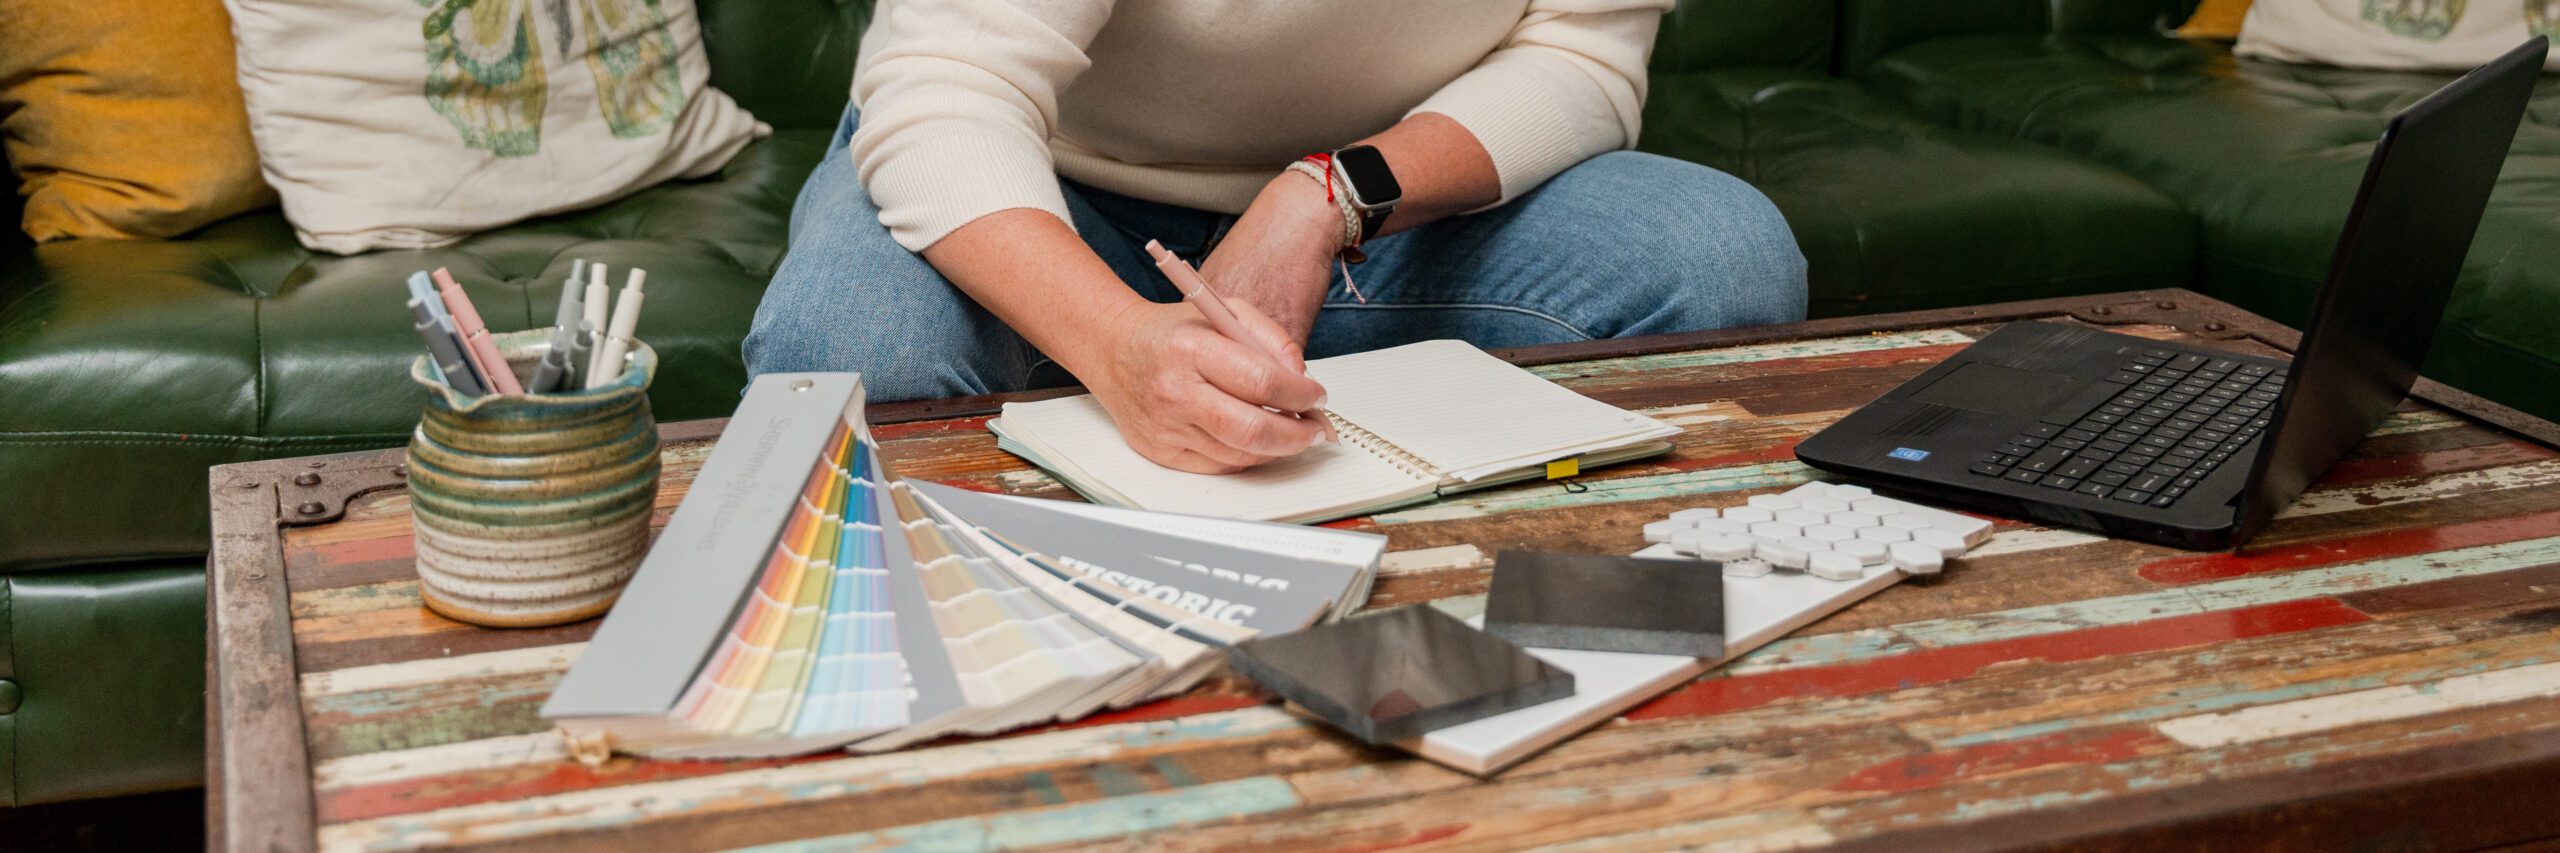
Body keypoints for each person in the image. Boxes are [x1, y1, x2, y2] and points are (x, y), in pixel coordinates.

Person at [746, 0, 1808, 474]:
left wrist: (1323, 198)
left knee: (1719, 262)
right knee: (845, 356)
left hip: (1386, 211)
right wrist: (1118, 344)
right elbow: (949, 93)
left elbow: (1581, 60)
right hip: (1048, 186)